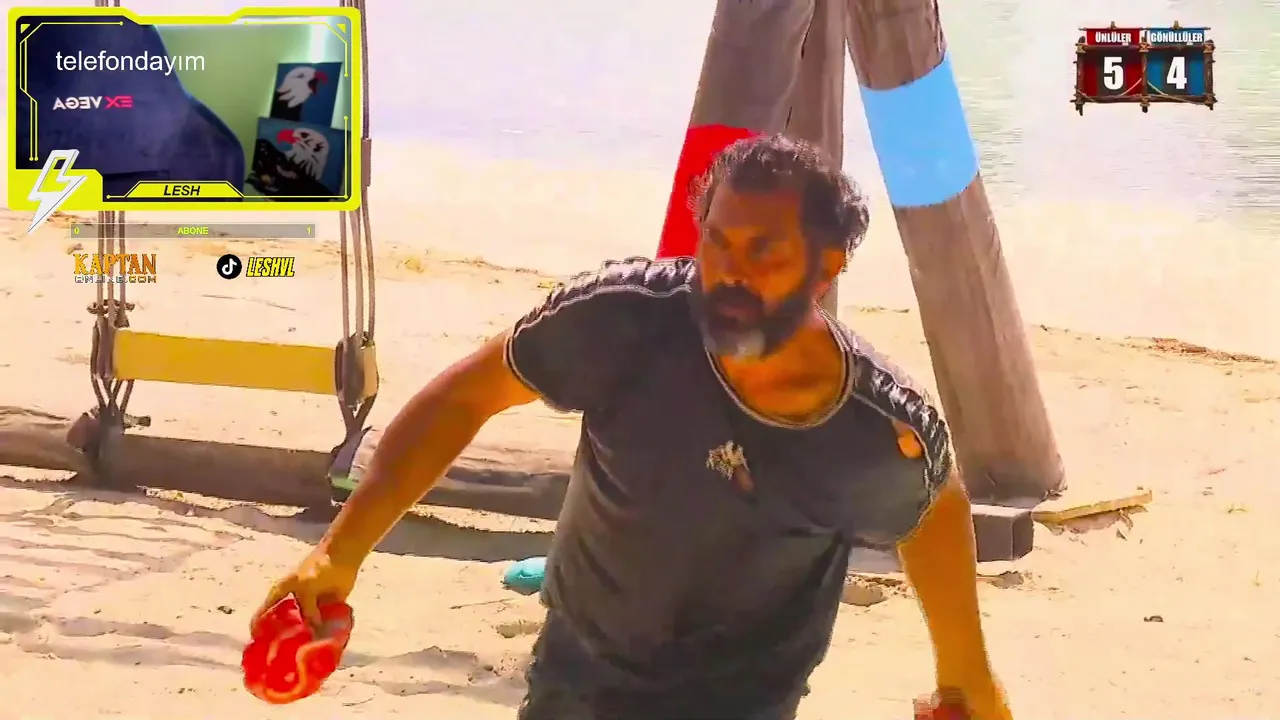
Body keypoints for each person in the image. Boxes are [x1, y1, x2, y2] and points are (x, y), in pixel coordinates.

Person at [253, 135, 1012, 720]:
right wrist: (337, 555)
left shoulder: (872, 427)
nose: (731, 270)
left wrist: (965, 674)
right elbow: (465, 396)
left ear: (828, 266)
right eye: (717, 240)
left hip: (741, 702)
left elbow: (933, 505)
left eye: (764, 250)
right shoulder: (622, 321)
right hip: (577, 678)